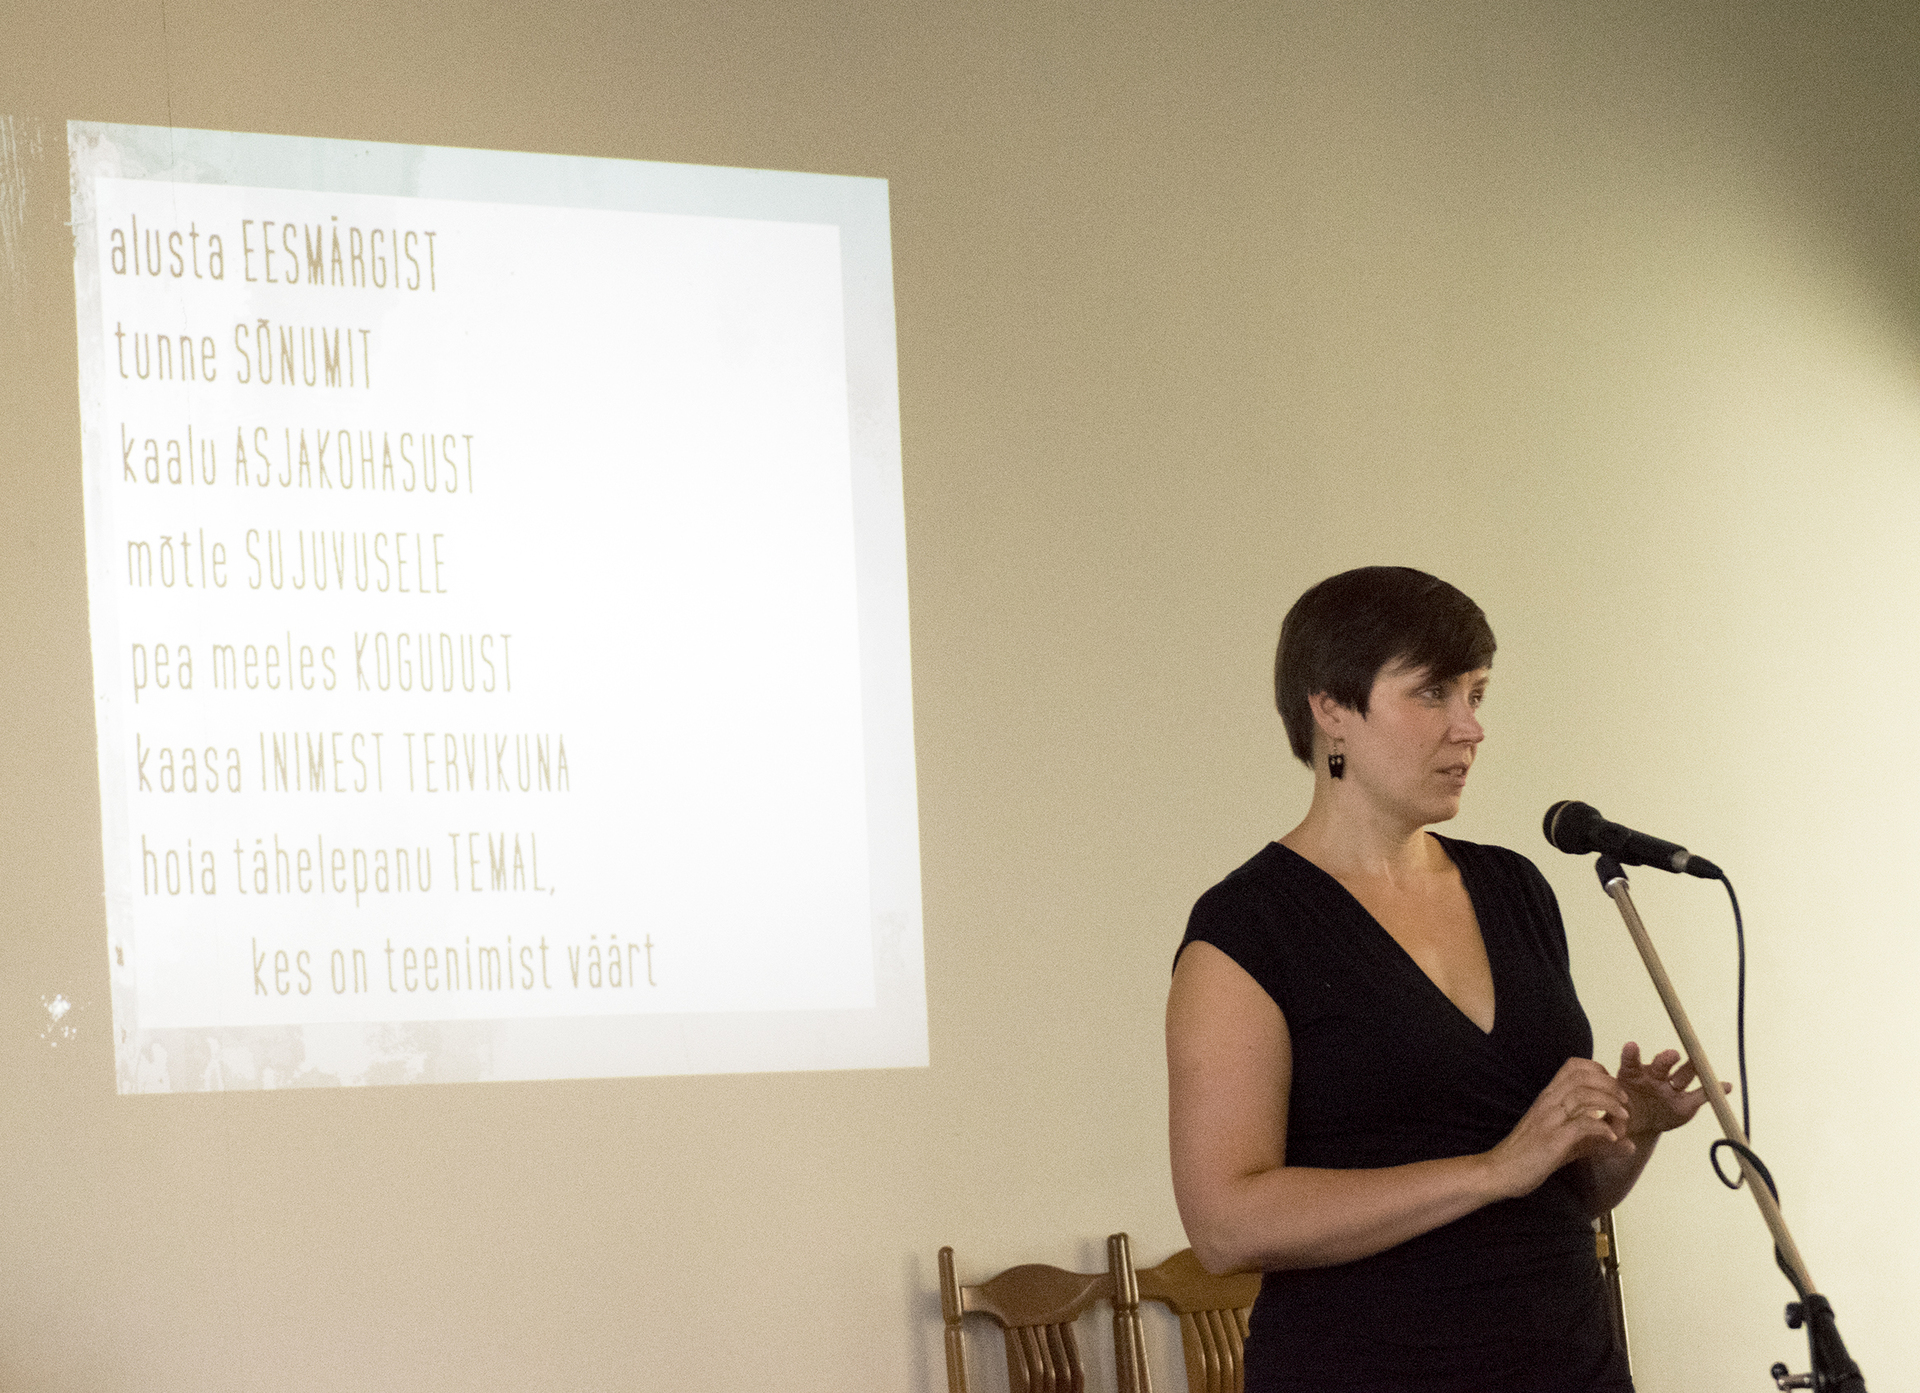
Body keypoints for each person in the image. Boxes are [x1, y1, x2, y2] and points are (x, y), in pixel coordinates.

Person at [1165, 566, 1716, 1393]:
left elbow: (1555, 1195)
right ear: (1330, 707)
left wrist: (1631, 1129)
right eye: (1433, 692)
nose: (1471, 727)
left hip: (1571, 1365)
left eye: (1478, 693)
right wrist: (1493, 1167)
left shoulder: (1516, 888)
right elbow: (1225, 1226)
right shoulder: (1248, 927)